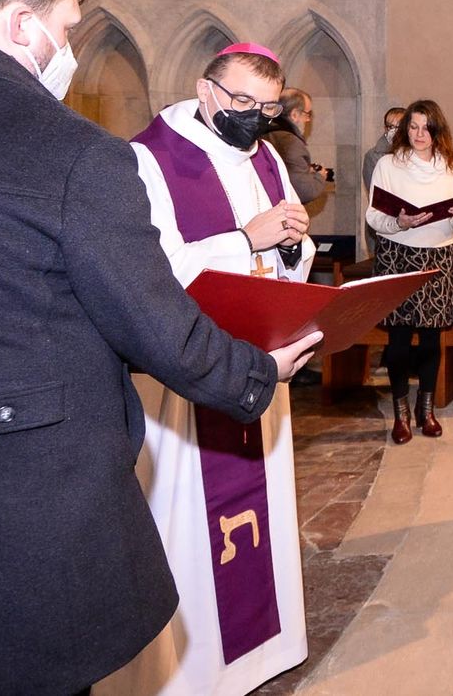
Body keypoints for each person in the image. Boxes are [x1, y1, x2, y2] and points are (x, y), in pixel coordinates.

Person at [0, 0, 319, 696]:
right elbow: (151, 311)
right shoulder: (77, 154)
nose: (71, 49)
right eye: (66, 26)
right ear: (22, 23)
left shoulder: (258, 158)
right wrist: (257, 371)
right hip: (16, 518)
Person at [110, 44, 317, 696]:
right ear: (206, 92)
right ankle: (194, 672)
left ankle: (265, 650)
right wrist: (245, 240)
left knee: (261, 510)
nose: (257, 120)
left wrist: (293, 241)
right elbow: (150, 273)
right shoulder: (150, 157)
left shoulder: (266, 155)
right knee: (190, 529)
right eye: (244, 104)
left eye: (268, 108)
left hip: (257, 359)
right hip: (189, 369)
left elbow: (289, 251)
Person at [365, 99, 453, 444]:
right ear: (404, 130)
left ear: (436, 130)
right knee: (398, 339)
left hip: (438, 257)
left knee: (431, 338)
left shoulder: (451, 165)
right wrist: (399, 221)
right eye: (413, 127)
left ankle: (426, 411)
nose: (419, 134)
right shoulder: (387, 164)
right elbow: (373, 216)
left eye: (426, 127)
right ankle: (402, 415)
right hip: (397, 254)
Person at [265, 86, 330, 207]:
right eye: (307, 114)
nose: (308, 120)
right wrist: (320, 177)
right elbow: (303, 191)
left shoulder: (263, 132)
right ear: (294, 115)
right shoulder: (290, 142)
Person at [362, 106, 405, 193]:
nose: (396, 131)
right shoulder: (372, 156)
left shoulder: (415, 153)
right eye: (391, 127)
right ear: (385, 128)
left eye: (399, 127)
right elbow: (374, 192)